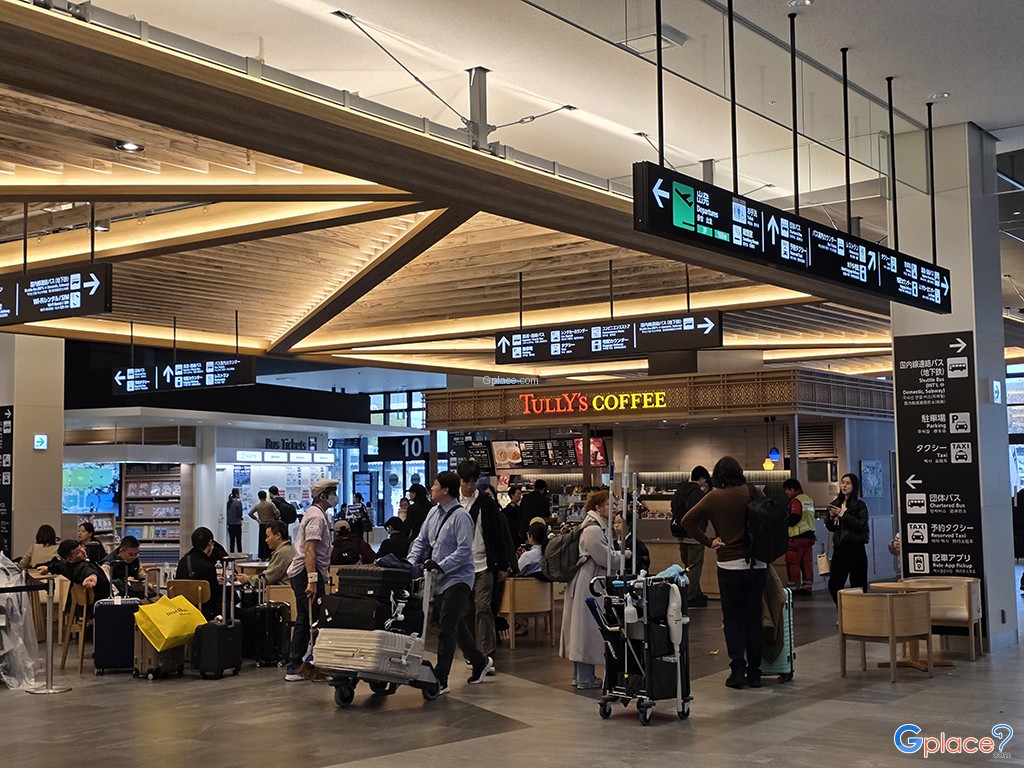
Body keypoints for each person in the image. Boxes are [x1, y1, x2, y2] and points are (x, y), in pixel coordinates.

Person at [682, 455, 766, 689]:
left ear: (717, 475)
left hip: (729, 564)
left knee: (732, 619)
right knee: (754, 619)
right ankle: (756, 673)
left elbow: (687, 521)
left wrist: (710, 542)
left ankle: (737, 671)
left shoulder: (714, 497)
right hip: (756, 563)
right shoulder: (754, 492)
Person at [407, 471, 494, 694]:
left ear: (445, 490)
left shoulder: (461, 517)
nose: (431, 489)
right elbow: (421, 540)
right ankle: (480, 662)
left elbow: (465, 551)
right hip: (438, 579)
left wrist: (440, 565)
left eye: (434, 485)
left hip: (458, 578)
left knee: (447, 625)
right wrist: (410, 563)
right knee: (452, 623)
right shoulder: (433, 513)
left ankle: (440, 678)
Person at [560, 490, 627, 689]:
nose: (613, 507)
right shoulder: (593, 530)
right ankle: (584, 677)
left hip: (587, 582)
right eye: (608, 504)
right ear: (597, 507)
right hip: (588, 584)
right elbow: (604, 558)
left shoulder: (595, 527)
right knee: (586, 631)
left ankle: (580, 675)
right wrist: (625, 556)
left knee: (581, 631)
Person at [457, 459, 510, 665]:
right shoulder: (453, 503)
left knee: (483, 607)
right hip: (461, 567)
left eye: (473, 482)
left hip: (484, 564)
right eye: (465, 482)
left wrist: (503, 565)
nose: (469, 486)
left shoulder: (487, 503)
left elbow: (498, 535)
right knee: (466, 610)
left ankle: (486, 653)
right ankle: (471, 652)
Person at [284, 477, 336, 682]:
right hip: (306, 573)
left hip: (307, 572)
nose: (335, 497)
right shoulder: (316, 517)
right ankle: (297, 665)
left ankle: (301, 664)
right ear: (323, 496)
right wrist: (312, 581)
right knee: (310, 619)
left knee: (308, 619)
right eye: (332, 493)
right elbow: (310, 551)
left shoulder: (316, 514)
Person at [824, 473, 870, 604]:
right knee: (834, 584)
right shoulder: (836, 503)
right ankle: (842, 612)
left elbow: (861, 525)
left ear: (854, 486)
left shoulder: (860, 505)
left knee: (858, 584)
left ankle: (858, 613)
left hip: (856, 548)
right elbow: (831, 528)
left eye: (848, 483)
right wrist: (831, 517)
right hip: (839, 548)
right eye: (843, 482)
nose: (844, 485)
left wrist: (842, 514)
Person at [670, 465, 711, 606]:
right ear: (701, 478)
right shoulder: (697, 494)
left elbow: (673, 508)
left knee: (688, 566)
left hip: (680, 535)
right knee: (695, 567)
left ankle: (696, 593)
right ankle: (690, 596)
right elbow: (703, 514)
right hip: (694, 536)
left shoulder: (680, 491)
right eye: (705, 481)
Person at [38, 539, 111, 603]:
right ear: (70, 559)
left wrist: (48, 568)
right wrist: (92, 575)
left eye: (81, 547)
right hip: (102, 605)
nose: (83, 551)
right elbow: (85, 570)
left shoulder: (67, 566)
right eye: (78, 552)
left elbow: (59, 566)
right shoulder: (80, 567)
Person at [176, 527, 222, 619]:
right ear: (210, 543)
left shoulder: (183, 561)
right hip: (205, 613)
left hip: (183, 611)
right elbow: (216, 596)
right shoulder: (208, 567)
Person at [783, 478, 817, 594]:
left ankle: (792, 587)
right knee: (806, 563)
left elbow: (795, 517)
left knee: (793, 562)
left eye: (787, 490)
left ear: (792, 489)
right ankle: (807, 586)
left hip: (797, 537)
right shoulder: (808, 499)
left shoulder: (795, 501)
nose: (786, 493)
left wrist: (784, 522)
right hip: (809, 537)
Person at [237, 521, 295, 588]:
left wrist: (247, 579)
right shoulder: (289, 549)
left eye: (268, 536)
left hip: (281, 593)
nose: (266, 540)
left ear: (278, 535)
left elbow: (268, 578)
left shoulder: (282, 553)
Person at [613, 508, 650, 574]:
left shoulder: (636, 543)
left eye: (619, 522)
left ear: (629, 524)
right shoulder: (613, 543)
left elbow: (643, 564)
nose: (616, 525)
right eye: (614, 522)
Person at [248, 490, 279, 560]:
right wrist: (275, 517)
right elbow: (277, 512)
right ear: (266, 496)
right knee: (271, 540)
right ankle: (270, 555)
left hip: (262, 524)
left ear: (259, 497)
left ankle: (262, 556)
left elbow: (250, 513)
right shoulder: (270, 504)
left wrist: (257, 519)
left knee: (262, 540)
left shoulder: (258, 506)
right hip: (270, 524)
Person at [518, 479, 550, 544]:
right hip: (538, 530)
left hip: (525, 529)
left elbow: (520, 512)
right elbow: (546, 515)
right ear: (544, 488)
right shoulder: (544, 499)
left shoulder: (525, 497)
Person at [226, 488, 243, 552]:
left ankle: (232, 555)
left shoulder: (229, 503)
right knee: (238, 542)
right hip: (237, 524)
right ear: (236, 494)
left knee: (232, 542)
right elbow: (240, 514)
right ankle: (240, 555)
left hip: (230, 524)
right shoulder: (238, 503)